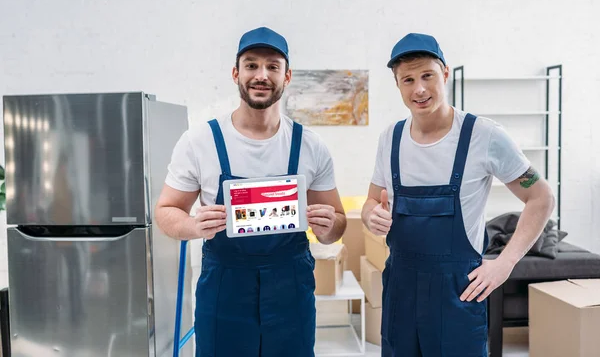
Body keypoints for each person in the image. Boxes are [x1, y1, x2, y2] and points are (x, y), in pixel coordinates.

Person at [155, 26, 346, 357]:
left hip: (291, 291)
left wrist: (331, 228)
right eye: (252, 65)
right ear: (235, 73)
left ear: (287, 77)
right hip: (224, 289)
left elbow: (339, 223)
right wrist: (193, 226)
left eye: (273, 66)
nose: (262, 75)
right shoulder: (200, 142)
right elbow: (165, 211)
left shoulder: (310, 146)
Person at [361, 33, 555, 356]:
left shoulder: (485, 136)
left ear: (445, 73)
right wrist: (371, 215)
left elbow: (542, 197)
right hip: (400, 295)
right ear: (397, 86)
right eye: (407, 80)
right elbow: (370, 202)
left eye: (427, 75)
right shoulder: (389, 139)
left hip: (457, 297)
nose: (419, 89)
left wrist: (506, 263)